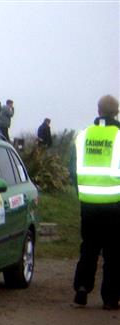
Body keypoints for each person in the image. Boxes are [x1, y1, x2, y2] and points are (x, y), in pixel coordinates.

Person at [70, 95, 120, 310]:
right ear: (116, 112)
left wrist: (81, 190)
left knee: (88, 247)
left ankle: (81, 289)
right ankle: (110, 298)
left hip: (88, 202)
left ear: (98, 111)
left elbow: (72, 168)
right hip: (114, 203)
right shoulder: (118, 135)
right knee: (113, 252)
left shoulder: (83, 135)